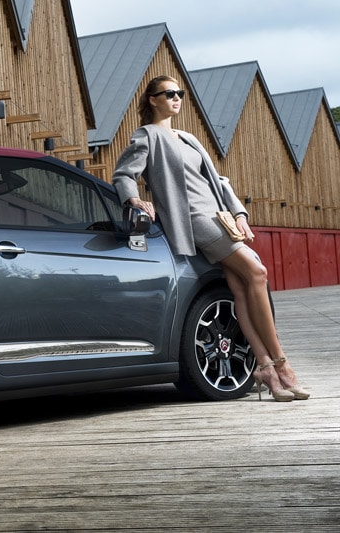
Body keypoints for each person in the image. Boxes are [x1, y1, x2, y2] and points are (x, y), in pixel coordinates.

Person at [112, 75, 309, 402]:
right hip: (195, 218)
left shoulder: (188, 137)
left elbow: (218, 180)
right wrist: (133, 199)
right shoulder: (147, 135)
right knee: (257, 273)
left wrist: (240, 213)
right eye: (169, 93)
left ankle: (265, 368)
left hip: (219, 216)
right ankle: (283, 364)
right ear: (153, 99)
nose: (176, 97)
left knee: (241, 288)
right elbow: (123, 173)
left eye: (180, 93)